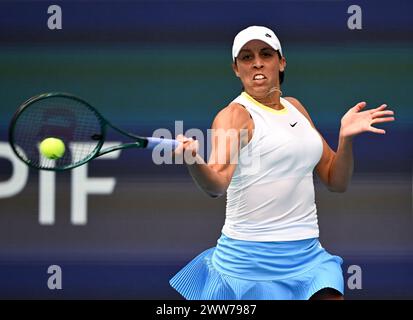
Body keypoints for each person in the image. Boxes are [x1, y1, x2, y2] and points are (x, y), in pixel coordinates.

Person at [169, 25, 395, 300]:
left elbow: (336, 180)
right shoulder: (234, 116)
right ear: (236, 69)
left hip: (308, 255)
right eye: (247, 58)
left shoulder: (295, 108)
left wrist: (345, 138)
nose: (257, 63)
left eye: (265, 54)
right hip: (250, 263)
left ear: (281, 61)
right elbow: (216, 184)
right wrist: (194, 160)